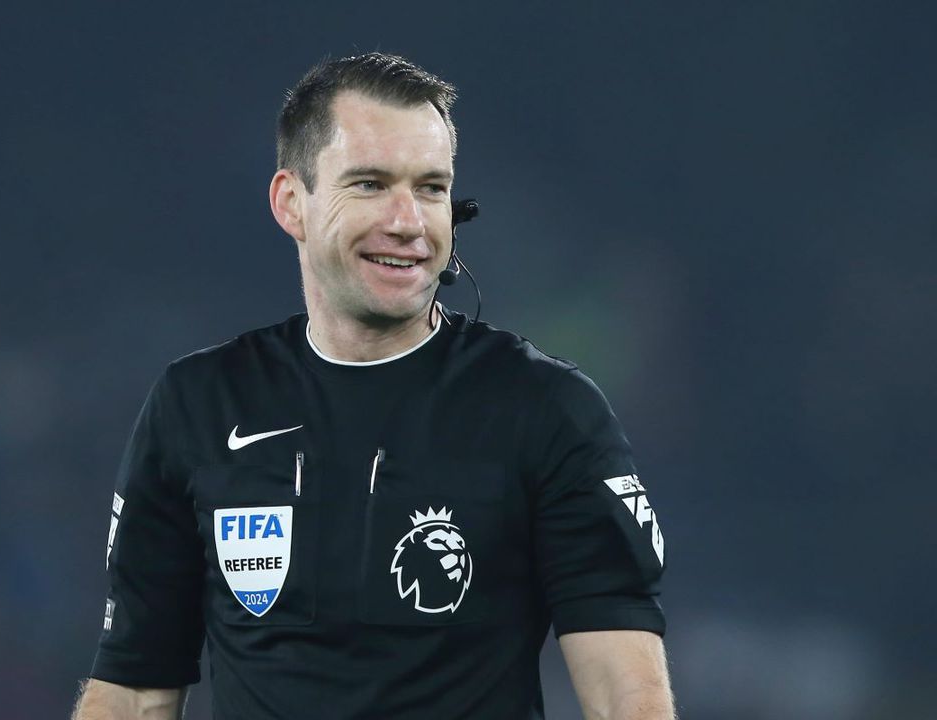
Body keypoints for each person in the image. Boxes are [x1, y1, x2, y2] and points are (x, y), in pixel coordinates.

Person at [73, 52, 674, 720]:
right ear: (291, 203)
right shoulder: (198, 405)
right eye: (370, 184)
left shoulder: (547, 410)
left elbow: (628, 698)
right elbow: (135, 689)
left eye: (431, 188)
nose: (408, 222)